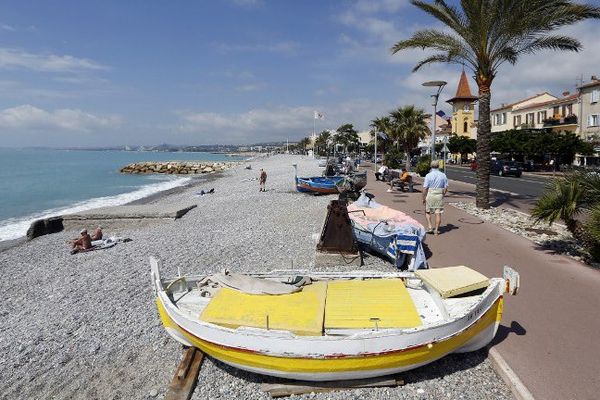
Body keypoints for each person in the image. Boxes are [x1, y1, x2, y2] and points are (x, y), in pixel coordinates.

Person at [422, 160, 449, 236]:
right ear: (438, 166)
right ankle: (436, 230)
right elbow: (446, 187)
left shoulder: (428, 175)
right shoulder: (443, 175)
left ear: (431, 166)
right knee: (438, 213)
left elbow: (425, 188)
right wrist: (443, 194)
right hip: (439, 194)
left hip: (430, 194)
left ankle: (430, 227)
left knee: (428, 211)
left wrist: (423, 198)